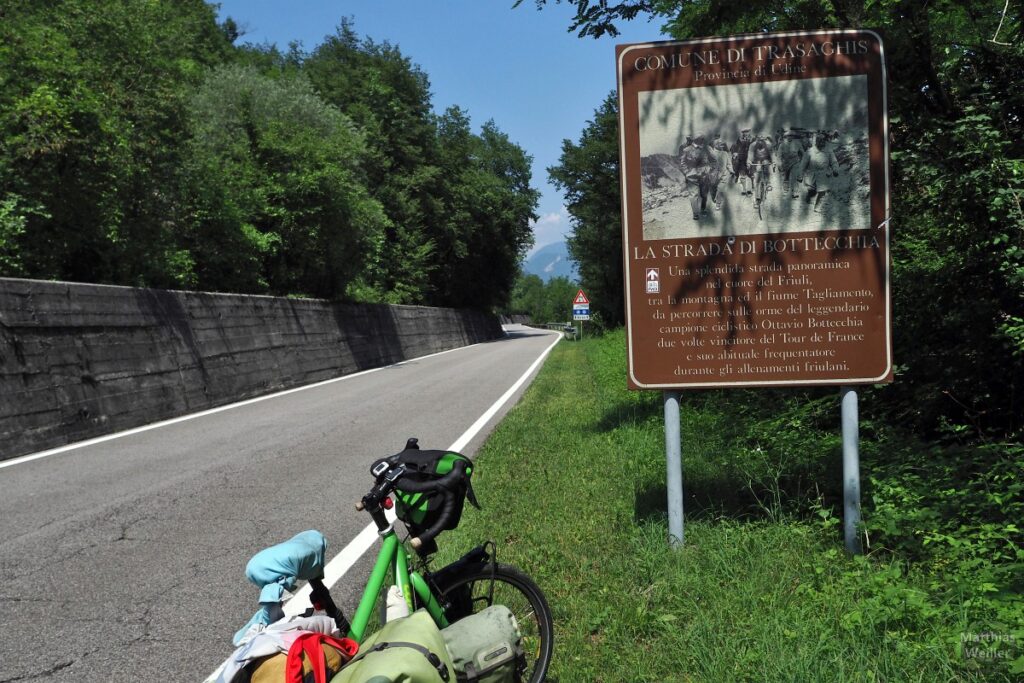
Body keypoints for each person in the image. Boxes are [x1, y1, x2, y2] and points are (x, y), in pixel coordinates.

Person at [795, 132, 841, 213]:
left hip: (823, 174)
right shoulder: (810, 151)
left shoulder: (829, 151)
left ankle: (817, 207)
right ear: (816, 142)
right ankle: (809, 196)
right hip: (811, 174)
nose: (822, 143)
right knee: (811, 190)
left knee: (822, 191)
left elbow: (834, 162)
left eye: (823, 141)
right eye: (820, 141)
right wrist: (800, 175)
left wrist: (835, 169)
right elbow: (803, 165)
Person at [678, 134, 713, 220]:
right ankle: (696, 213)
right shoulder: (685, 149)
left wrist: (709, 169)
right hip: (692, 175)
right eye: (702, 139)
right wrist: (687, 173)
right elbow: (682, 162)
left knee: (704, 194)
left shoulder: (705, 149)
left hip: (704, 174)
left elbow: (710, 160)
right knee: (693, 195)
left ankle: (703, 209)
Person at [747, 134, 774, 207]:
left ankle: (768, 183)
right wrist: (749, 162)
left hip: (766, 160)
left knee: (766, 164)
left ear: (765, 140)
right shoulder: (752, 145)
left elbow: (772, 154)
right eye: (759, 140)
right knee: (757, 180)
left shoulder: (768, 145)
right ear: (756, 139)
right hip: (757, 161)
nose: (760, 142)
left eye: (762, 140)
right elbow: (750, 154)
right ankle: (757, 199)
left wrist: (773, 162)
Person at [777, 132, 805, 198]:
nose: (790, 137)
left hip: (795, 162)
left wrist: (802, 161)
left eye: (791, 136)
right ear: (785, 137)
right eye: (788, 136)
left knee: (794, 177)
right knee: (786, 178)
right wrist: (779, 164)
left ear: (793, 137)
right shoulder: (782, 145)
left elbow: (803, 153)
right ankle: (785, 190)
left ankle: (795, 192)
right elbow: (779, 156)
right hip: (785, 163)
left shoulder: (797, 144)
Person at [707, 138, 731, 211]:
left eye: (722, 145)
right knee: (713, 189)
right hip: (713, 175)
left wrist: (731, 171)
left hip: (724, 174)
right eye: (720, 145)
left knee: (720, 188)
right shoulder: (710, 154)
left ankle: (718, 203)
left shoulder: (725, 153)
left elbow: (729, 164)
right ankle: (714, 197)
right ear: (715, 145)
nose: (722, 146)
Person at [729, 129, 753, 195]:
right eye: (745, 132)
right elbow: (733, 147)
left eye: (747, 132)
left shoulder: (752, 140)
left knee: (751, 175)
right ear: (743, 133)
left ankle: (750, 188)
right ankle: (744, 189)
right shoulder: (739, 140)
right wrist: (734, 153)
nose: (746, 133)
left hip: (751, 159)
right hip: (742, 159)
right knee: (743, 174)